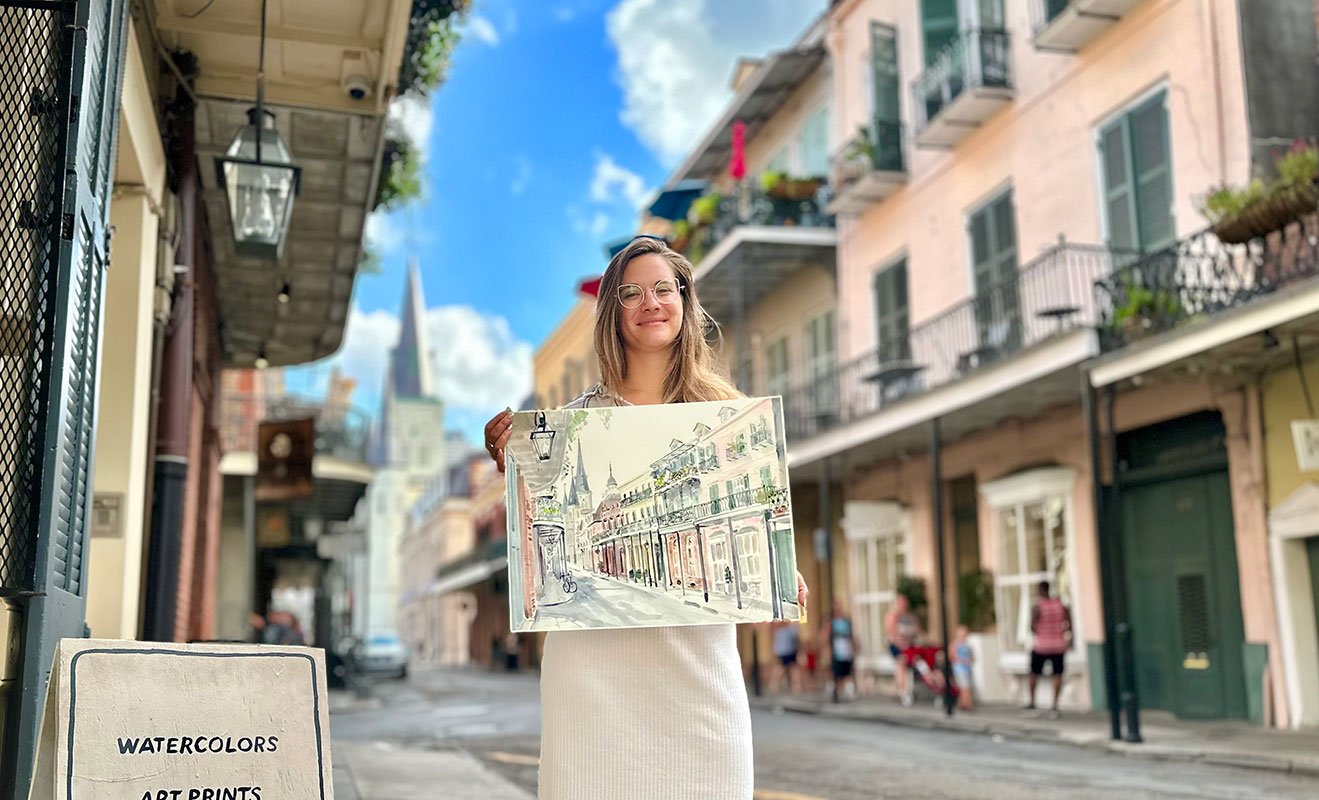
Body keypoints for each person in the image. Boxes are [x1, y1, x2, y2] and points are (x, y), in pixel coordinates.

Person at [482, 236, 809, 799]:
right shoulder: (572, 422)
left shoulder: (726, 412)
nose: (650, 303)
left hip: (697, 672)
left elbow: (760, 512)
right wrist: (508, 463)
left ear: (684, 301)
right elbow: (541, 527)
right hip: (592, 681)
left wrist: (779, 576)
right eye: (631, 293)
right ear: (613, 312)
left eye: (664, 288)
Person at [1028, 579, 1072, 717]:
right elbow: (1069, 624)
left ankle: (1033, 702)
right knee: (1057, 674)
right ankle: (1054, 704)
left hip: (1041, 646)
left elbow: (1032, 626)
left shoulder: (1038, 607)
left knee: (1034, 673)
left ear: (1041, 590)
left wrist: (1040, 631)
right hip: (1059, 645)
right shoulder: (1061, 605)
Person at [884, 593, 920, 703]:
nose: (903, 605)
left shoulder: (910, 616)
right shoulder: (893, 615)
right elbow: (891, 633)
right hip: (898, 645)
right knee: (902, 663)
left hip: (910, 645)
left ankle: (910, 688)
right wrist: (901, 644)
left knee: (916, 662)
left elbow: (917, 629)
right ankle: (903, 691)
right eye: (901, 603)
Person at [824, 600, 857, 703]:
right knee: (836, 674)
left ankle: (848, 693)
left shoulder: (846, 621)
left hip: (846, 651)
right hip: (836, 652)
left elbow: (851, 636)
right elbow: (824, 637)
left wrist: (853, 647)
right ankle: (834, 693)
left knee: (847, 672)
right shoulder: (830, 622)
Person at [771, 620, 802, 695]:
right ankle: (774, 686)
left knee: (792, 670)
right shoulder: (782, 631)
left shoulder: (787, 630)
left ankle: (796, 688)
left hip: (789, 652)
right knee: (782, 670)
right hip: (785, 653)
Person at [952, 625, 974, 711]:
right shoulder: (955, 644)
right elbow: (952, 656)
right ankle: (967, 704)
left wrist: (970, 660)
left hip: (967, 668)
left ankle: (961, 703)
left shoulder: (968, 645)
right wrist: (962, 660)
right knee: (965, 687)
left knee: (965, 687)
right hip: (959, 669)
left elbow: (972, 657)